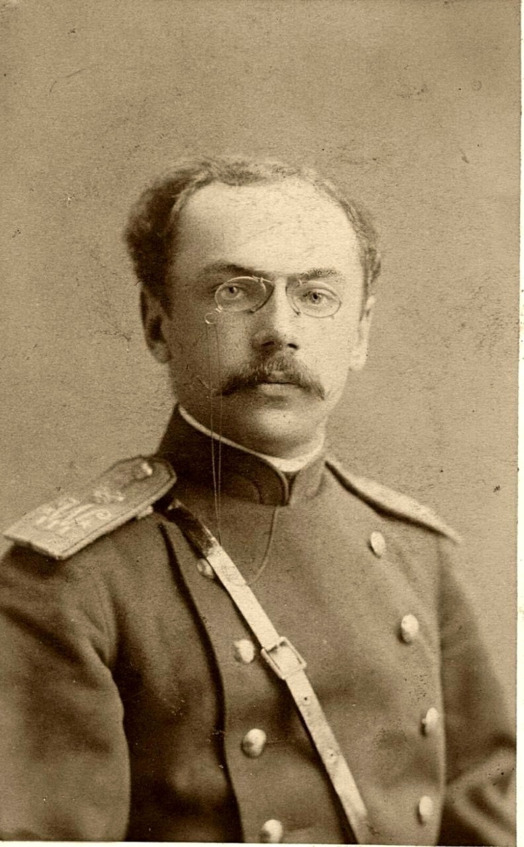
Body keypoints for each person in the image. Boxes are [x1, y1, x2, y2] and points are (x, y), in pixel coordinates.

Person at [0, 156, 515, 845]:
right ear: (157, 323)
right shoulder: (69, 582)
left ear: (360, 333)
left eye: (316, 295)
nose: (279, 329)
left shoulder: (419, 554)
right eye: (235, 291)